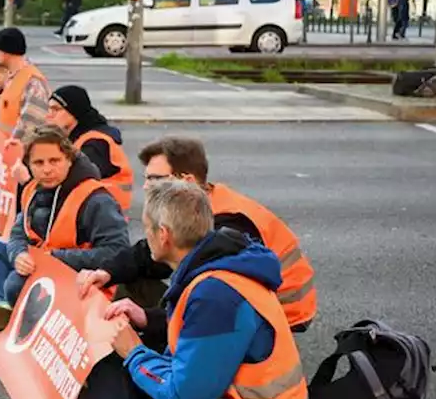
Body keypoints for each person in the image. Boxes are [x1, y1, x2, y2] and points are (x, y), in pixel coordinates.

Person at [82, 179, 310, 399]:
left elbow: (187, 389)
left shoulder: (216, 294)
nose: (145, 236)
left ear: (164, 235)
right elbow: (193, 359)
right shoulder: (212, 268)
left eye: (147, 228)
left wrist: (135, 352)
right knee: (108, 354)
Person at [79, 135, 317, 332]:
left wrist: (147, 319)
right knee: (136, 278)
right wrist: (107, 272)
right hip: (249, 303)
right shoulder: (198, 203)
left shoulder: (227, 225)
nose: (146, 186)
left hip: (280, 312)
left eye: (155, 179)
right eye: (146, 178)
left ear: (187, 180)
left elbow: (211, 305)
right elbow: (152, 254)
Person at [0, 125, 129, 330]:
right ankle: (2, 306)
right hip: (42, 261)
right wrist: (19, 255)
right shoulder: (33, 189)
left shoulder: (95, 199)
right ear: (28, 164)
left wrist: (53, 258)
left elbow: (118, 252)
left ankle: (2, 298)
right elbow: (19, 233)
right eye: (38, 163)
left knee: (14, 284)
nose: (46, 169)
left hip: (78, 275)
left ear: (69, 159)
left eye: (54, 161)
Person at [44, 85, 134, 212]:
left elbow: (74, 178)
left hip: (103, 212)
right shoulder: (76, 136)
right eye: (48, 109)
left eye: (56, 110)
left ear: (74, 112)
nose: (48, 115)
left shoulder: (96, 143)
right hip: (94, 207)